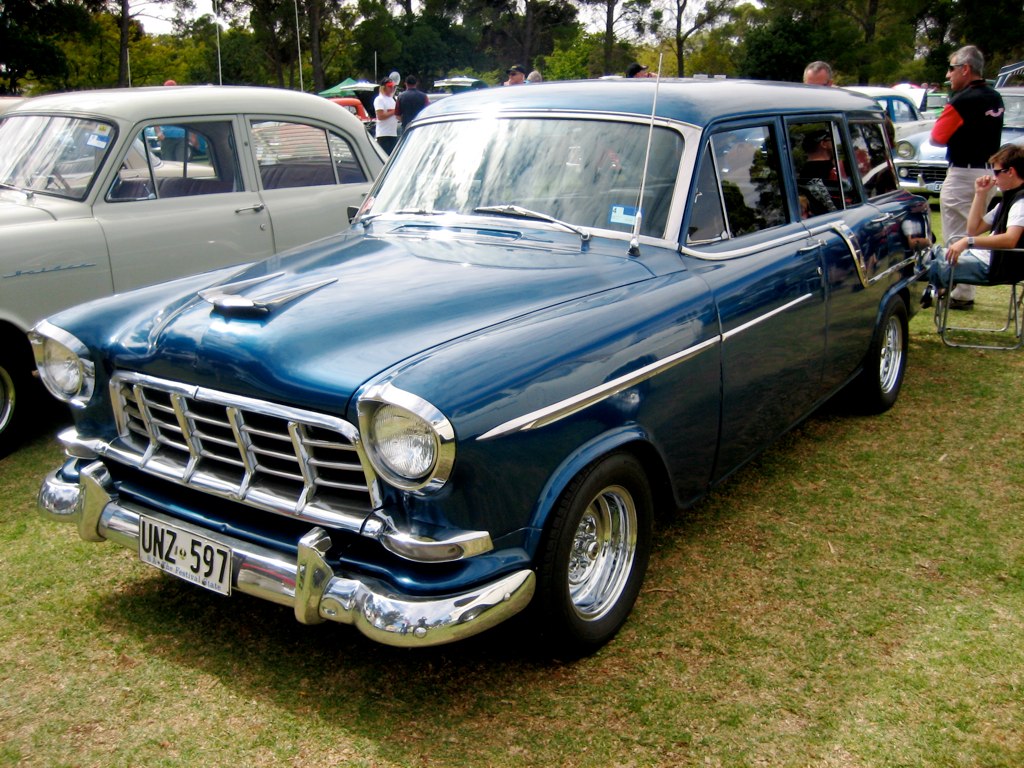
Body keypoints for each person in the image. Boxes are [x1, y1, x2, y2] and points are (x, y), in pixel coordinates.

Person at [931, 45, 1005, 309]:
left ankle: (961, 291)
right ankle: (964, 288)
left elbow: (937, 137)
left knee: (955, 232)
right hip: (988, 171)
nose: (948, 75)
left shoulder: (962, 100)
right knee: (973, 227)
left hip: (963, 172)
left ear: (965, 69)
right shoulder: (994, 97)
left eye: (951, 68)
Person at [920, 144, 1024, 308]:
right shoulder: (1008, 199)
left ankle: (933, 290)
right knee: (925, 255)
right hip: (981, 258)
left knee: (922, 265)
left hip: (993, 266)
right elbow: (973, 229)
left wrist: (967, 242)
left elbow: (1010, 240)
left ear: (1010, 172)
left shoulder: (1021, 203)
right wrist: (980, 193)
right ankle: (938, 287)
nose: (993, 177)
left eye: (996, 172)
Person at [373, 78, 399, 154]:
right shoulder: (379, 99)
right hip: (383, 134)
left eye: (393, 87)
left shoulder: (392, 99)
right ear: (384, 87)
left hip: (393, 133)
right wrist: (394, 111)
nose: (392, 89)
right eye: (389, 86)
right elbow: (380, 116)